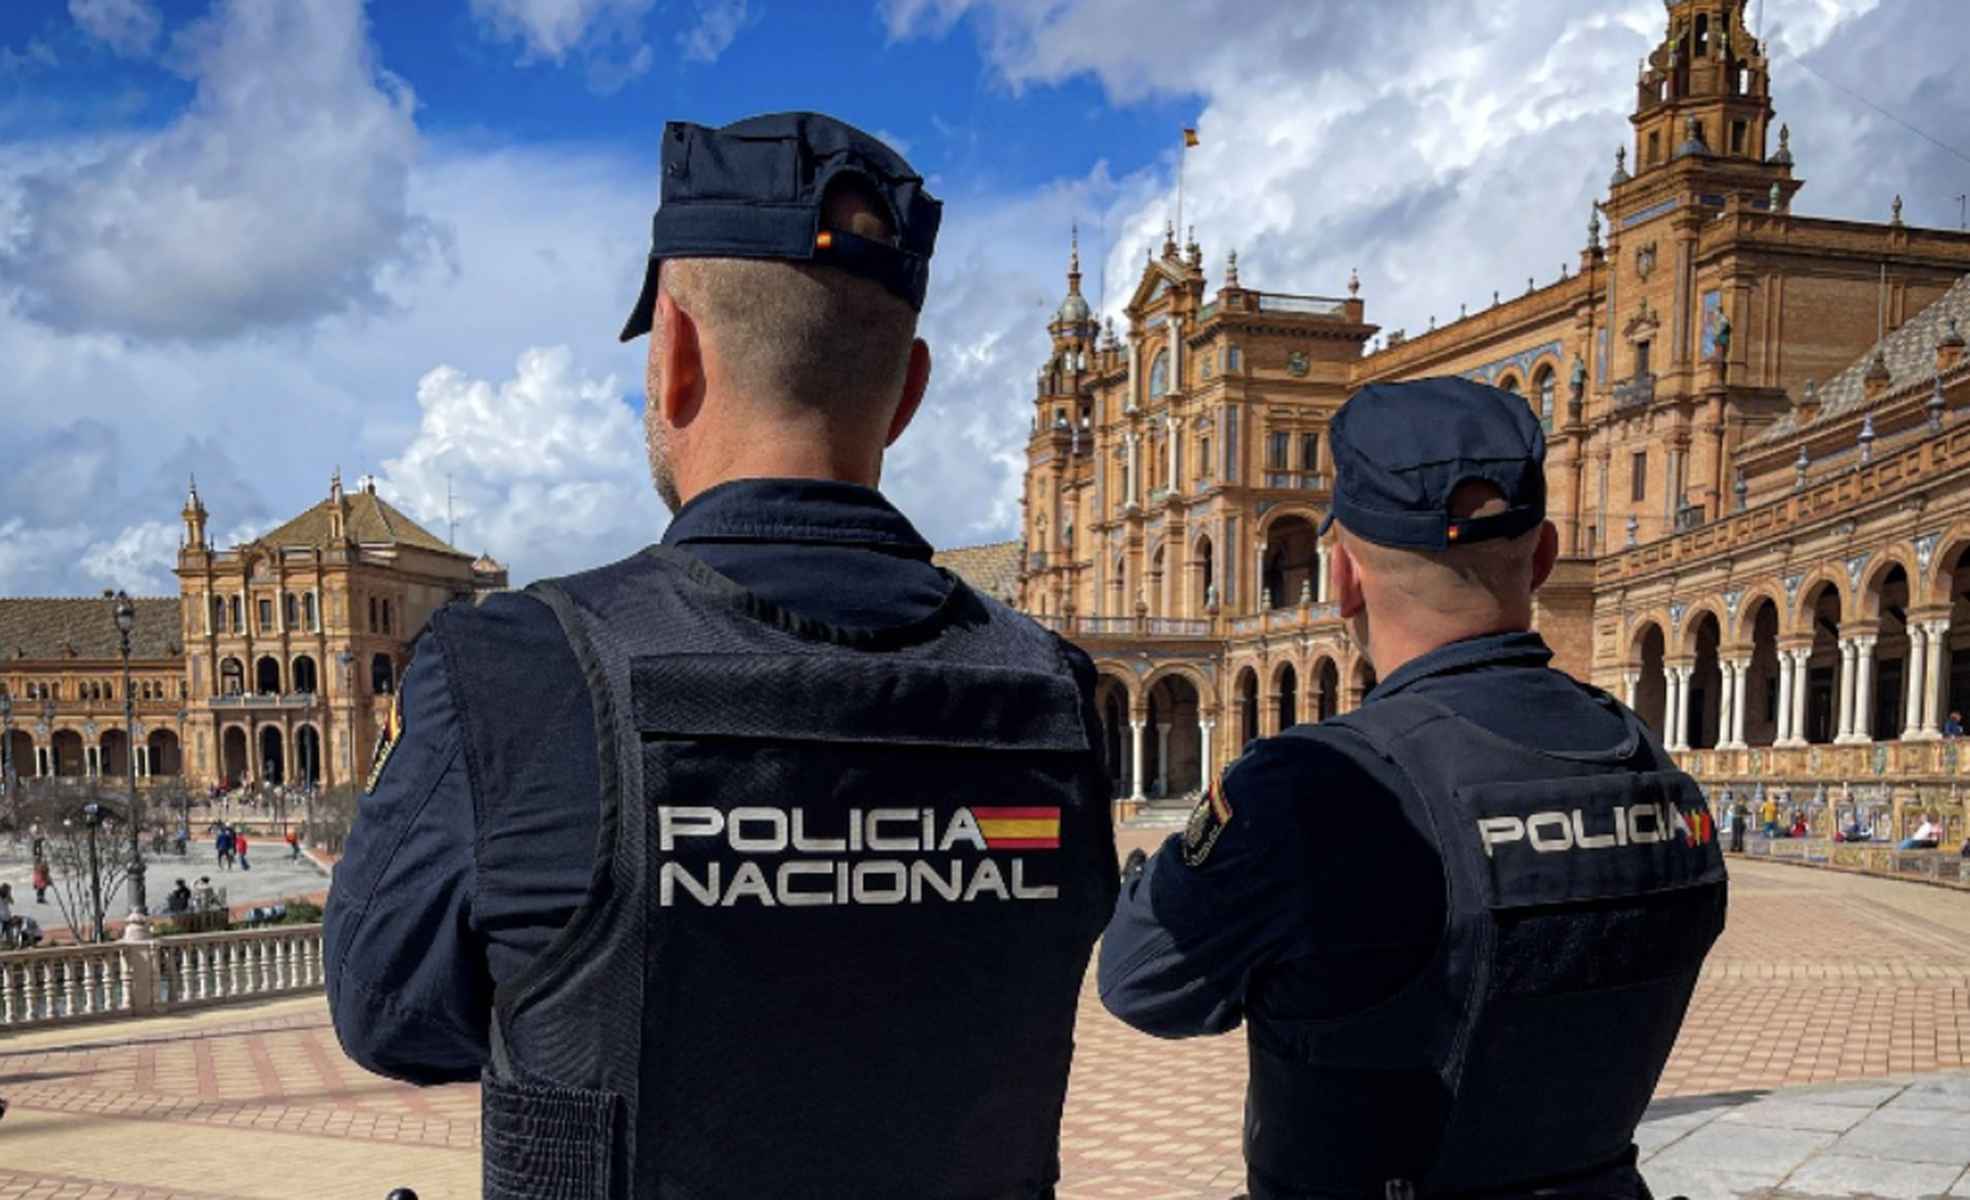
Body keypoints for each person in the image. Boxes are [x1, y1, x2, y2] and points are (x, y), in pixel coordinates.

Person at [325, 111, 1119, 1200]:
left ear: (675, 358)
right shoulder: (1054, 694)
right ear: (909, 389)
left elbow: (390, 1016)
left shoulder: (515, 667)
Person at [1098, 377, 1728, 1199]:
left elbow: (1144, 983)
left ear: (1343, 578)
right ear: (1541, 558)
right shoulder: (1647, 764)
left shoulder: (1317, 787)